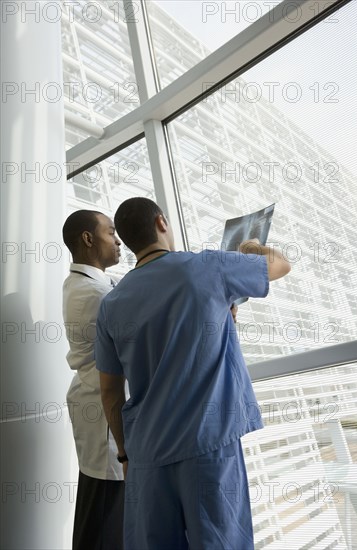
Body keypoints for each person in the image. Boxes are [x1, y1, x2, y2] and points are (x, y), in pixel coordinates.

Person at [95, 197, 291, 550]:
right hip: (208, 446)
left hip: (147, 456)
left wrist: (125, 456)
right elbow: (280, 265)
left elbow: (109, 391)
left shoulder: (111, 304)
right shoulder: (206, 268)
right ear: (161, 223)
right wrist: (251, 246)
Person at [62, 209, 125, 550]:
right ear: (88, 239)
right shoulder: (92, 294)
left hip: (100, 411)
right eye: (111, 232)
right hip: (102, 417)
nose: (118, 241)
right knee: (102, 522)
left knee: (104, 516)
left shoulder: (94, 283)